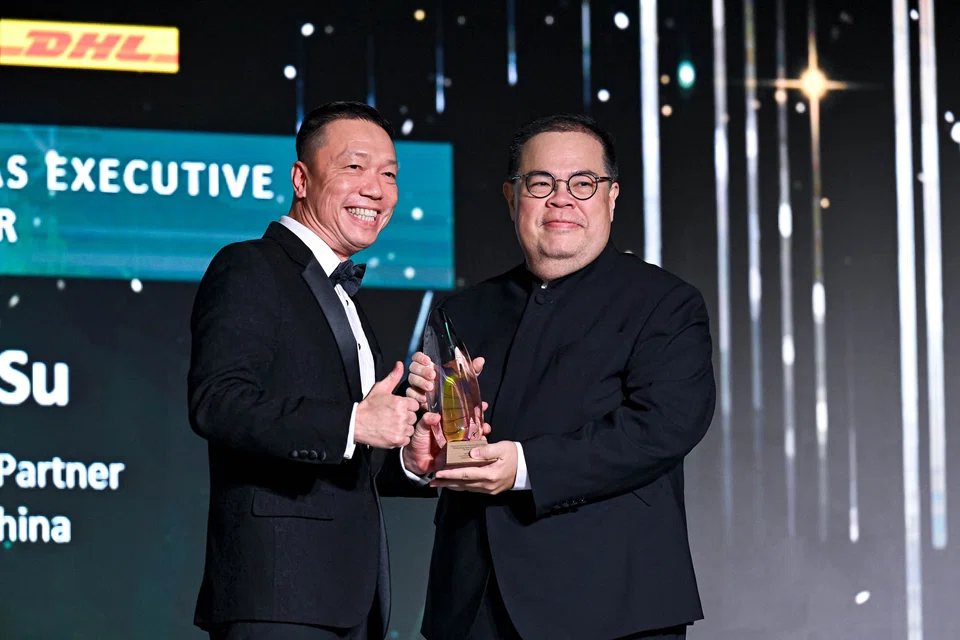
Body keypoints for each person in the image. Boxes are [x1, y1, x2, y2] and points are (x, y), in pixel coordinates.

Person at [404, 114, 716, 640]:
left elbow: (666, 426)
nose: (561, 199)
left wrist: (525, 467)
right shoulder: (464, 311)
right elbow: (442, 438)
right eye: (541, 183)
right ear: (511, 197)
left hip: (612, 604)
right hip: (473, 604)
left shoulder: (664, 303)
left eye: (583, 183)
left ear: (612, 197)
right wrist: (422, 459)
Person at [188, 101, 437, 640]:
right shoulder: (249, 265)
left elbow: (341, 456)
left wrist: (410, 461)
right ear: (301, 179)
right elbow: (219, 401)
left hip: (350, 601)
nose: (376, 188)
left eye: (389, 174)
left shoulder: (342, 293)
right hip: (278, 595)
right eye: (354, 166)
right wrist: (353, 424)